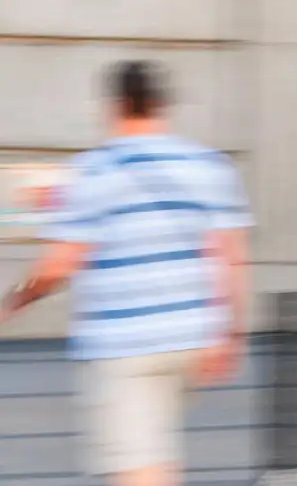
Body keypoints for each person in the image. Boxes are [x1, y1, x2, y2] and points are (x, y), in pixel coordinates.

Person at [0, 61, 253, 486]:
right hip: (191, 340)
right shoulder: (209, 165)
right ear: (161, 105)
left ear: (116, 106)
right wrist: (231, 333)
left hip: (127, 349)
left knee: (140, 470)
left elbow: (59, 265)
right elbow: (231, 256)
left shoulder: (95, 170)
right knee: (154, 454)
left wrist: (17, 299)